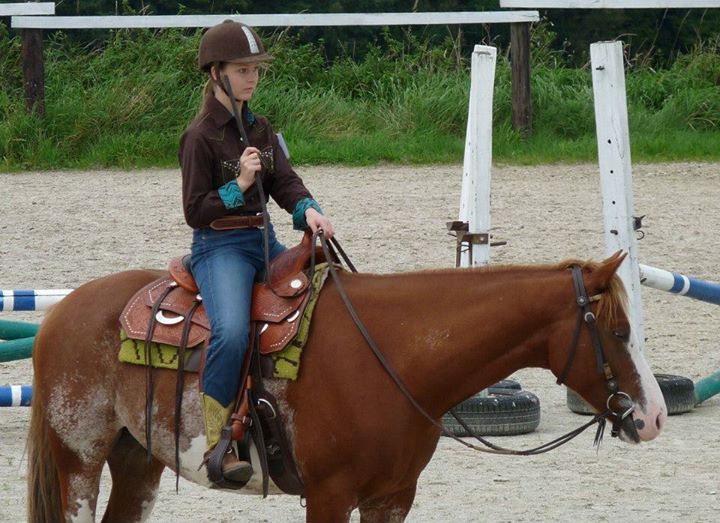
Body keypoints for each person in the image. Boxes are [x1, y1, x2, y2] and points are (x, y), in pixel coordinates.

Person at [179, 20, 334, 486]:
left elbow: (284, 180)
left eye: (256, 70)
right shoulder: (199, 136)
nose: (252, 78)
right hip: (218, 246)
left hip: (263, 240)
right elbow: (194, 211)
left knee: (323, 293)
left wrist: (308, 211)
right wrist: (240, 186)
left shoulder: (261, 128)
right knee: (228, 331)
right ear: (216, 74)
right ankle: (218, 440)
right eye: (243, 70)